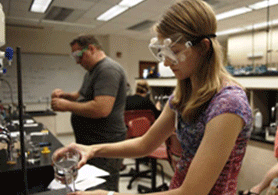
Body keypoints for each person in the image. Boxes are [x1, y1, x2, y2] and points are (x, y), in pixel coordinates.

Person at [53, 0, 252, 195]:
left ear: (203, 47)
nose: (166, 62)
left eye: (174, 52)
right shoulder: (184, 95)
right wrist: (91, 150)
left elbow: (192, 192)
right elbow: (144, 144)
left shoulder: (228, 104)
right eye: (163, 53)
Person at [51, 35, 128, 192]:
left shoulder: (107, 69)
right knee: (91, 184)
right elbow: (80, 96)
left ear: (91, 49)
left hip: (105, 140)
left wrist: (67, 106)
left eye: (78, 55)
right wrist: (65, 96)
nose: (77, 61)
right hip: (91, 141)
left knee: (104, 186)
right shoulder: (91, 72)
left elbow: (101, 109)